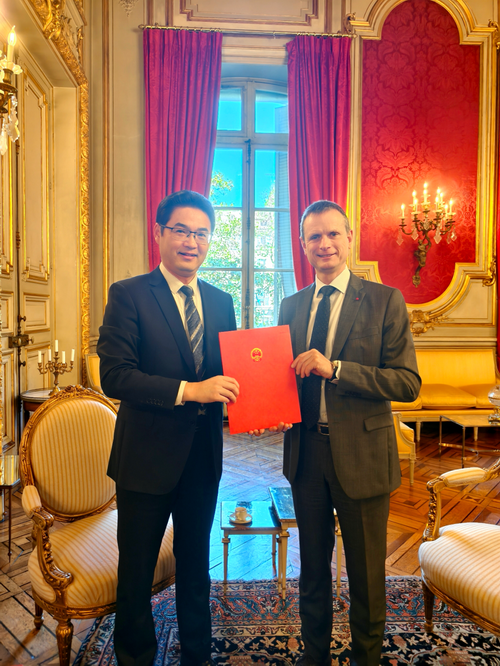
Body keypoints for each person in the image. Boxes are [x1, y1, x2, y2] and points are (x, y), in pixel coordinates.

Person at [97, 190, 240, 666]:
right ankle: (135, 657)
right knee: (136, 573)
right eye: (181, 230)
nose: (191, 242)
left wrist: (260, 405)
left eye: (201, 233)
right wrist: (190, 390)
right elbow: (116, 376)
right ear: (159, 232)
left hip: (203, 459)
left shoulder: (221, 302)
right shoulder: (129, 294)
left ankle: (197, 656)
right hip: (146, 459)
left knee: (197, 568)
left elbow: (229, 375)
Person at [278, 200, 421, 666]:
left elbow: (406, 383)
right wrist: (273, 407)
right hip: (306, 456)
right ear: (303, 245)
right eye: (314, 236)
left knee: (365, 574)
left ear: (349, 237)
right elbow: (283, 379)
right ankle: (314, 655)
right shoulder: (291, 306)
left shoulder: (384, 300)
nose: (324, 244)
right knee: (312, 570)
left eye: (333, 234)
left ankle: (366, 658)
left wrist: (336, 368)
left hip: (363, 456)